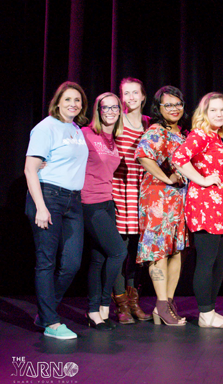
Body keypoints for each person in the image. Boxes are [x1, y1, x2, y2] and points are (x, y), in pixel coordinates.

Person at [24, 82, 89, 339]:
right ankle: (50, 322)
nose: (73, 104)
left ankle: (45, 310)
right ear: (58, 102)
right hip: (48, 196)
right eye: (68, 99)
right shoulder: (45, 127)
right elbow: (30, 169)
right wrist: (40, 207)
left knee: (72, 263)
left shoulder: (75, 129)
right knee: (46, 262)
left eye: (78, 100)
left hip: (73, 200)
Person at [173, 92, 223, 329]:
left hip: (222, 208)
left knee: (219, 262)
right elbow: (179, 158)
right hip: (205, 207)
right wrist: (201, 179)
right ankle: (205, 313)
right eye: (213, 110)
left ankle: (210, 311)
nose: (219, 114)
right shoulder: (200, 134)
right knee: (207, 261)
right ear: (204, 113)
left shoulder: (216, 137)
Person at [135, 86, 188, 326]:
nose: (174, 109)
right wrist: (166, 178)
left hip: (178, 200)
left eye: (178, 104)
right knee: (158, 252)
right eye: (168, 105)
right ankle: (160, 303)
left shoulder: (183, 134)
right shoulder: (157, 131)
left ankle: (167, 302)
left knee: (176, 250)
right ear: (158, 108)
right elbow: (143, 155)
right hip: (157, 199)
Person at [81, 92, 128, 330]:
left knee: (99, 258)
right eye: (105, 108)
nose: (110, 112)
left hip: (108, 203)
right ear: (98, 111)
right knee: (118, 252)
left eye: (114, 108)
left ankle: (92, 312)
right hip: (89, 203)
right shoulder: (86, 135)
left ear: (120, 111)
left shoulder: (115, 140)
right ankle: (103, 306)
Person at [111, 77, 152, 324]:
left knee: (138, 250)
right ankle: (121, 304)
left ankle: (134, 300)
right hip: (119, 189)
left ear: (143, 96)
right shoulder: (115, 121)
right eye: (126, 93)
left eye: (135, 93)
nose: (131, 98)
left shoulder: (149, 124)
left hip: (143, 191)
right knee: (118, 250)